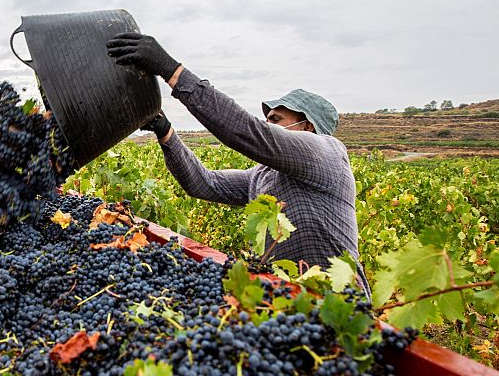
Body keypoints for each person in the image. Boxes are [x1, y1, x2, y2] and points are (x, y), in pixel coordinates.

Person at [106, 32, 371, 299]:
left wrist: (172, 71)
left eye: (276, 119)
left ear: (307, 126)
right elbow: (203, 183)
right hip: (286, 305)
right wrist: (166, 132)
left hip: (340, 304)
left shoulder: (328, 153)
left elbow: (248, 132)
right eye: (267, 119)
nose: (268, 125)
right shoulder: (262, 177)